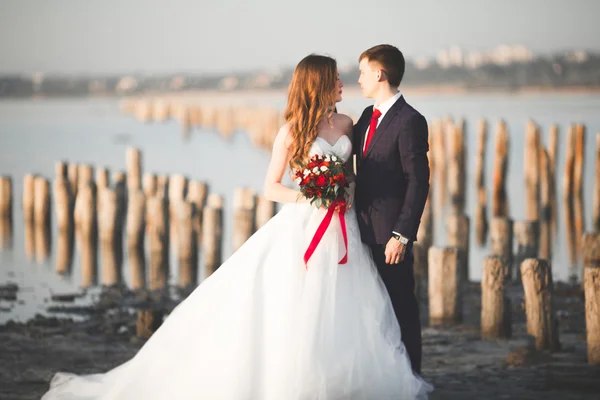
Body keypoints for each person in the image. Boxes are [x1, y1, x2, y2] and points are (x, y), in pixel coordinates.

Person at [41, 54, 432, 400]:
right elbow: (271, 187)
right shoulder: (291, 131)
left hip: (344, 226)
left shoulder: (349, 123)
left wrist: (344, 191)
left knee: (349, 303)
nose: (343, 82)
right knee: (297, 303)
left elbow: (352, 175)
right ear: (318, 83)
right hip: (306, 223)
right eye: (335, 77)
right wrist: (311, 197)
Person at [353, 44, 431, 375]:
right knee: (371, 309)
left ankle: (412, 378)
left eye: (362, 72)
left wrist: (402, 235)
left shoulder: (410, 120)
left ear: (379, 74)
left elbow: (418, 181)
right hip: (359, 230)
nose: (358, 79)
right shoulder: (367, 117)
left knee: (400, 306)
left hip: (390, 237)